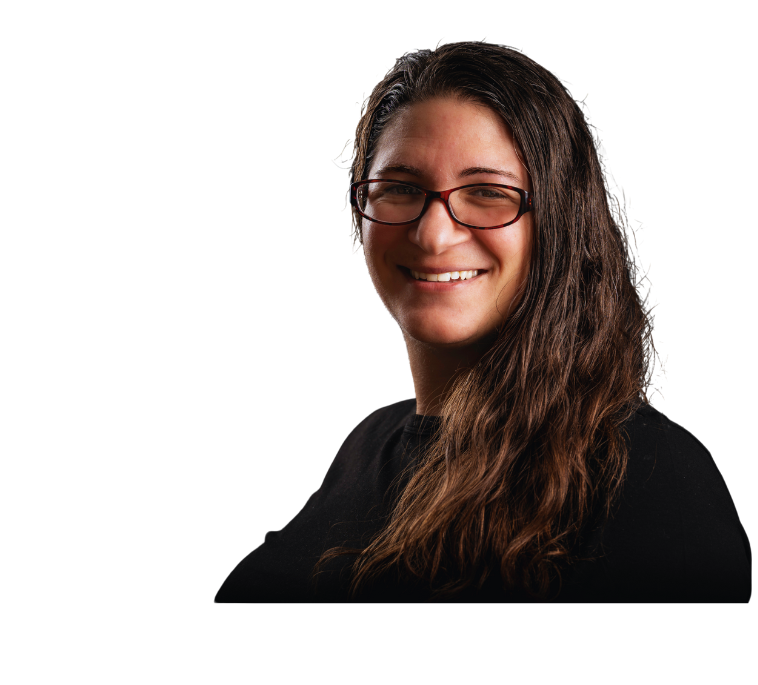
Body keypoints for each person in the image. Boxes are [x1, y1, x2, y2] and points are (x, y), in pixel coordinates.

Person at [213, 41, 751, 603]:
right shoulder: (367, 444)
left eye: (488, 193)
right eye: (400, 188)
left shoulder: (645, 476)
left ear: (559, 225)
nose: (433, 234)